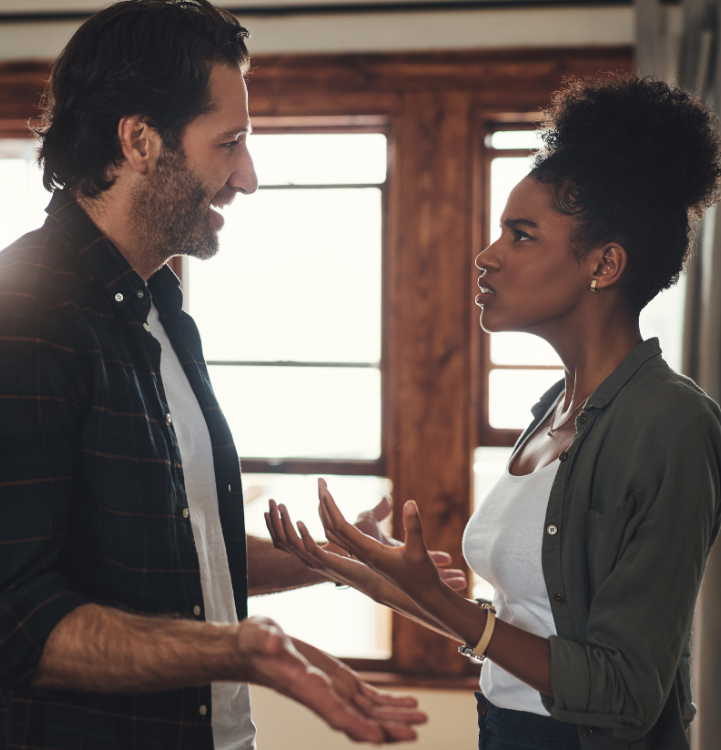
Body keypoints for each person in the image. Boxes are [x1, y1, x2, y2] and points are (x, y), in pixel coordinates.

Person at [0, 1, 476, 747]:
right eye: (230, 142)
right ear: (139, 141)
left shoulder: (161, 308)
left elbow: (180, 545)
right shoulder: (16, 317)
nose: (248, 176)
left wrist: (332, 563)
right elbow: (6, 620)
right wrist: (240, 648)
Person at [267, 75, 721, 749]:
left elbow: (625, 692)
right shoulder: (554, 409)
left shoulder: (672, 425)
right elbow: (534, 629)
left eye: (521, 235)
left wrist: (447, 603)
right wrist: (379, 580)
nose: (487, 256)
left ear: (605, 263)